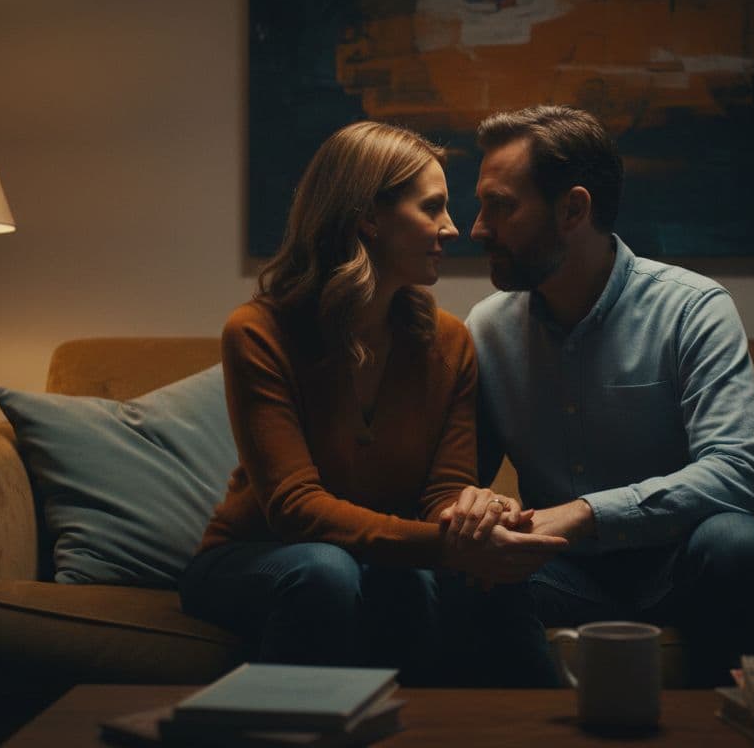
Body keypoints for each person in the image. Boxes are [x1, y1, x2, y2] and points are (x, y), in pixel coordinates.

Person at [179, 121, 567, 687]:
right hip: (259, 556)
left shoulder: (449, 342)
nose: (452, 227)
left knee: (421, 582)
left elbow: (442, 493)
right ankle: (276, 723)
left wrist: (477, 524)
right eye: (431, 208)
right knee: (327, 569)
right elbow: (295, 507)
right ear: (367, 216)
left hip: (383, 562)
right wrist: (446, 548)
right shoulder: (260, 332)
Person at [447, 105, 754, 686]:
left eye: (500, 206)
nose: (478, 228)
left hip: (680, 566)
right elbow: (459, 477)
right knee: (458, 569)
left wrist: (586, 514)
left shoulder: (693, 309)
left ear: (572, 209)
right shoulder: (487, 328)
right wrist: (481, 511)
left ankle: (736, 724)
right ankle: (528, 725)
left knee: (741, 544)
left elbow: (742, 472)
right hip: (557, 574)